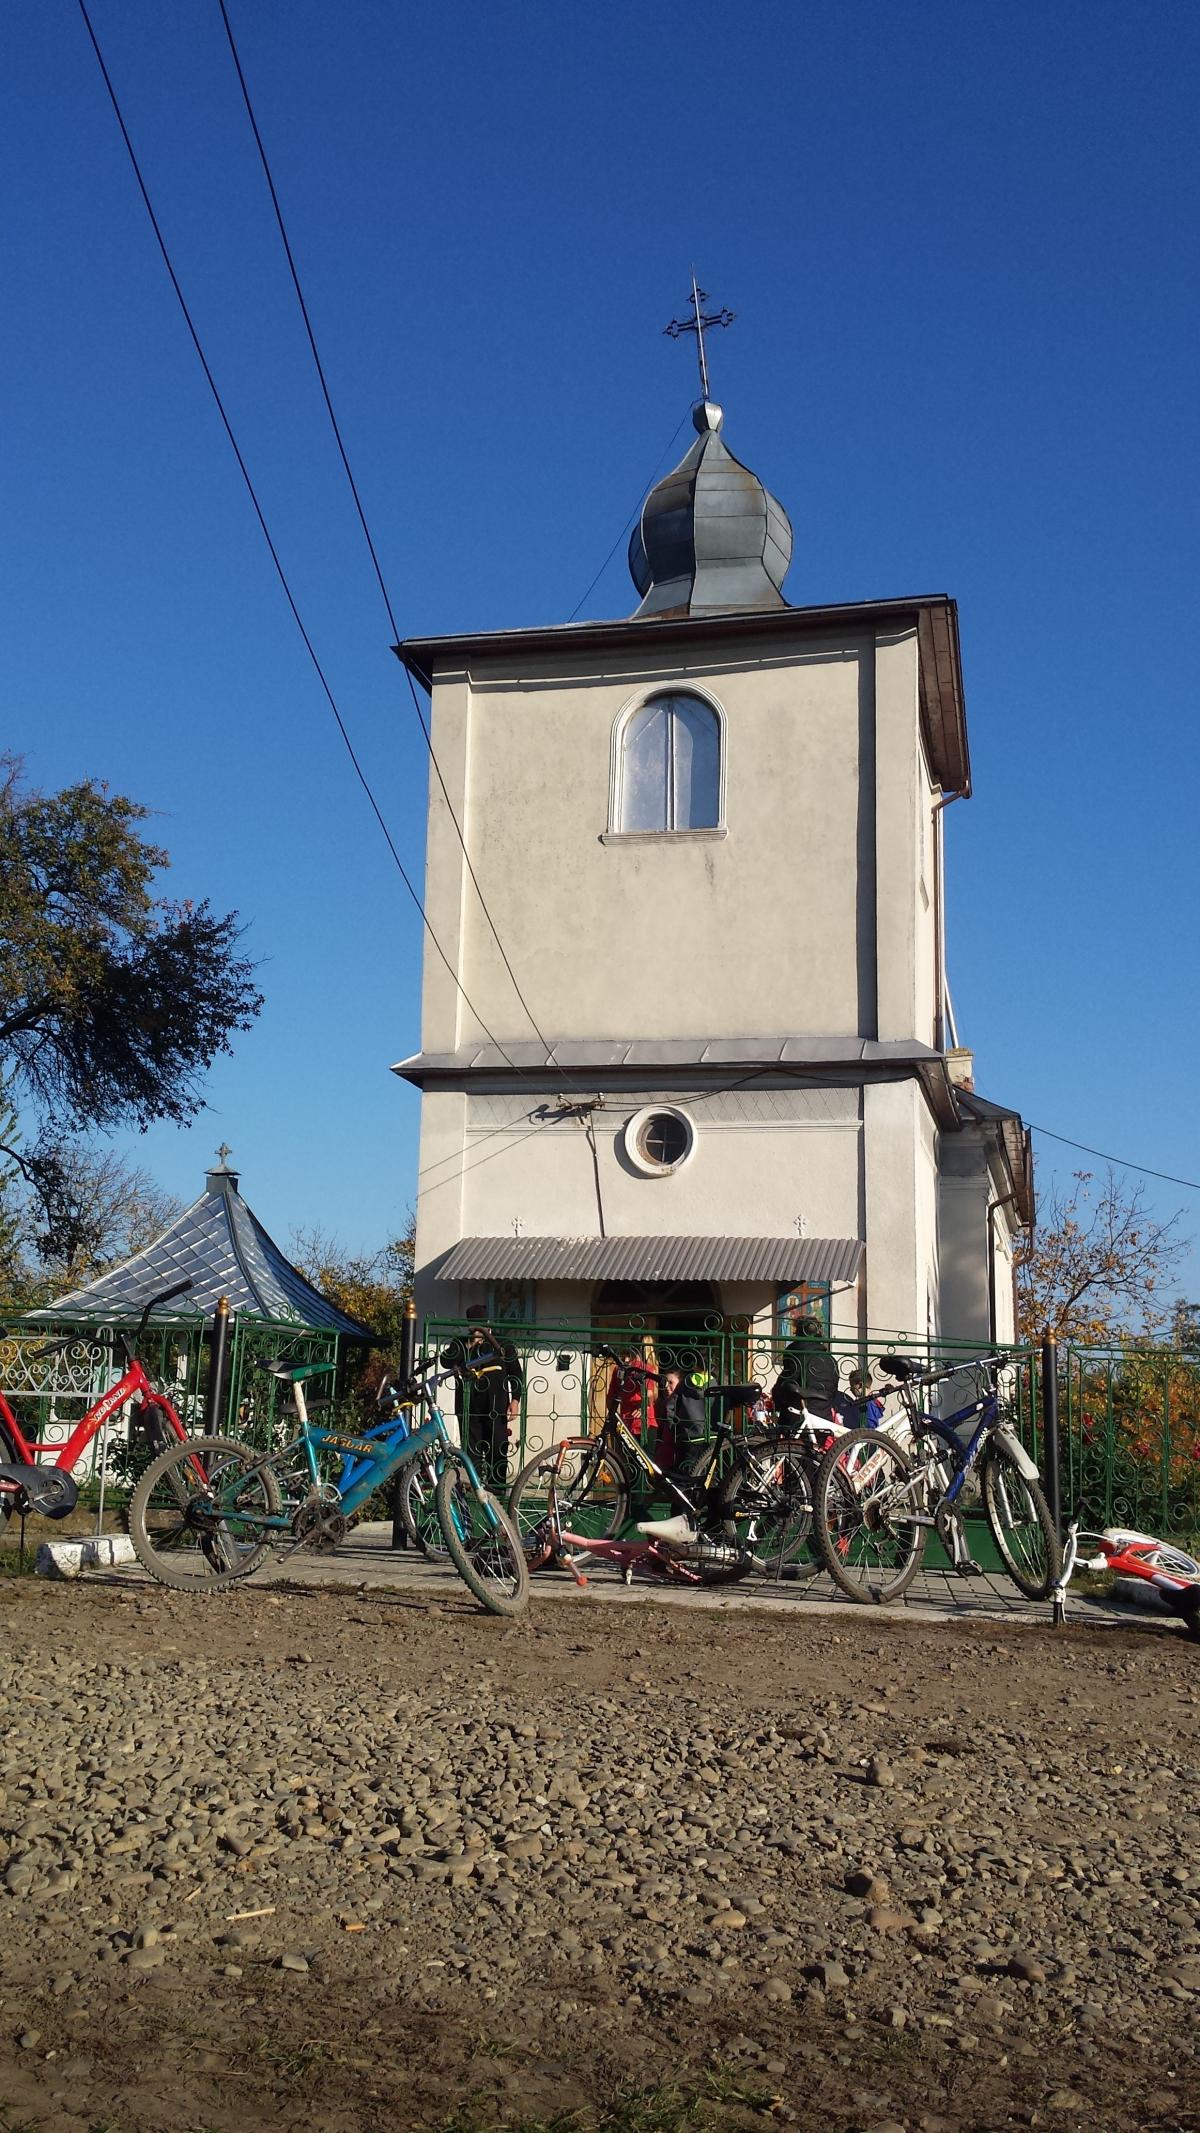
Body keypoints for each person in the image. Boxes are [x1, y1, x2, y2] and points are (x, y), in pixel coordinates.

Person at [441, 1306, 523, 1491]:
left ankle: (497, 1491)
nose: (477, 1330)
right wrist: (469, 1345)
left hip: (496, 1405)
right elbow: (445, 1361)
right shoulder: (461, 1343)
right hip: (468, 1406)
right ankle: (474, 1490)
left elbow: (516, 1373)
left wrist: (515, 1400)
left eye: (480, 1326)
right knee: (471, 1450)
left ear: (487, 1324)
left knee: (497, 1448)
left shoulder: (502, 1343)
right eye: (473, 1326)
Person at [771, 1311, 846, 1425]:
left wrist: (777, 1401)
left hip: (800, 1415)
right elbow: (833, 1389)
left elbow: (786, 1383)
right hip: (824, 1416)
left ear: (798, 1333)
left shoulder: (796, 1355)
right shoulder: (829, 1359)